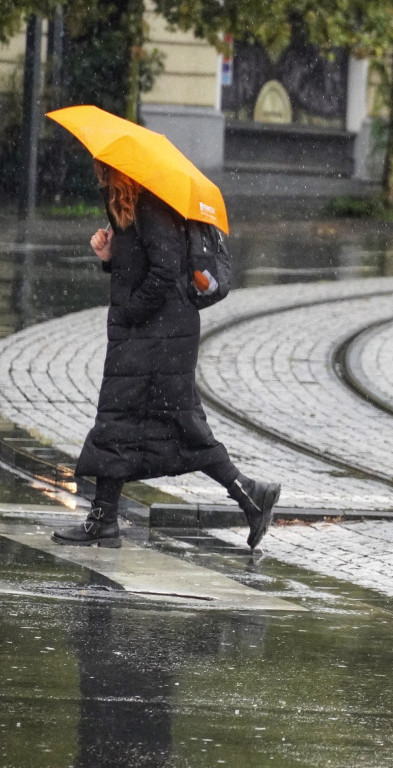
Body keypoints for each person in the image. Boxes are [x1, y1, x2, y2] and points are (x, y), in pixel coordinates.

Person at [52, 160, 280, 550]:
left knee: (148, 423)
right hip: (154, 333)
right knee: (133, 423)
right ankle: (246, 495)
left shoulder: (149, 204)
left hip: (159, 334)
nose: (94, 171)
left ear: (114, 169)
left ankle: (105, 520)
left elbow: (165, 270)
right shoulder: (130, 205)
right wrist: (110, 257)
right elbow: (144, 264)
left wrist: (128, 312)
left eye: (98, 166)